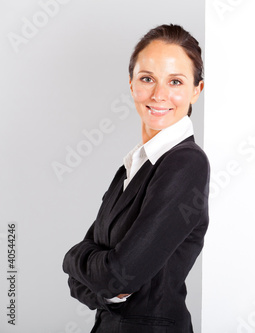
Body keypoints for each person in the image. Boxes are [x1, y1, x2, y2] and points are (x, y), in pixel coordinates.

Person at [62, 24, 209, 333]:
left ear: (196, 89)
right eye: (147, 79)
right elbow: (83, 284)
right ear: (131, 85)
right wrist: (101, 282)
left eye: (175, 81)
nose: (159, 95)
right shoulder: (133, 167)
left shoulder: (186, 163)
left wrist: (72, 257)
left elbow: (118, 277)